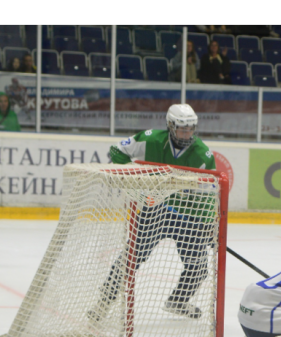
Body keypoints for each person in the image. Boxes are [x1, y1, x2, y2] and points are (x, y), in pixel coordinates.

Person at [91, 104, 216, 320]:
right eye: (181, 129)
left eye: (190, 129)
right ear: (170, 125)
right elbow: (117, 150)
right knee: (132, 257)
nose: (187, 134)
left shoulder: (202, 155)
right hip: (154, 209)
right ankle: (103, 302)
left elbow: (208, 195)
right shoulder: (150, 139)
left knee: (198, 267)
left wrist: (208, 224)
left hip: (188, 218)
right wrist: (135, 178)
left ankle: (178, 300)